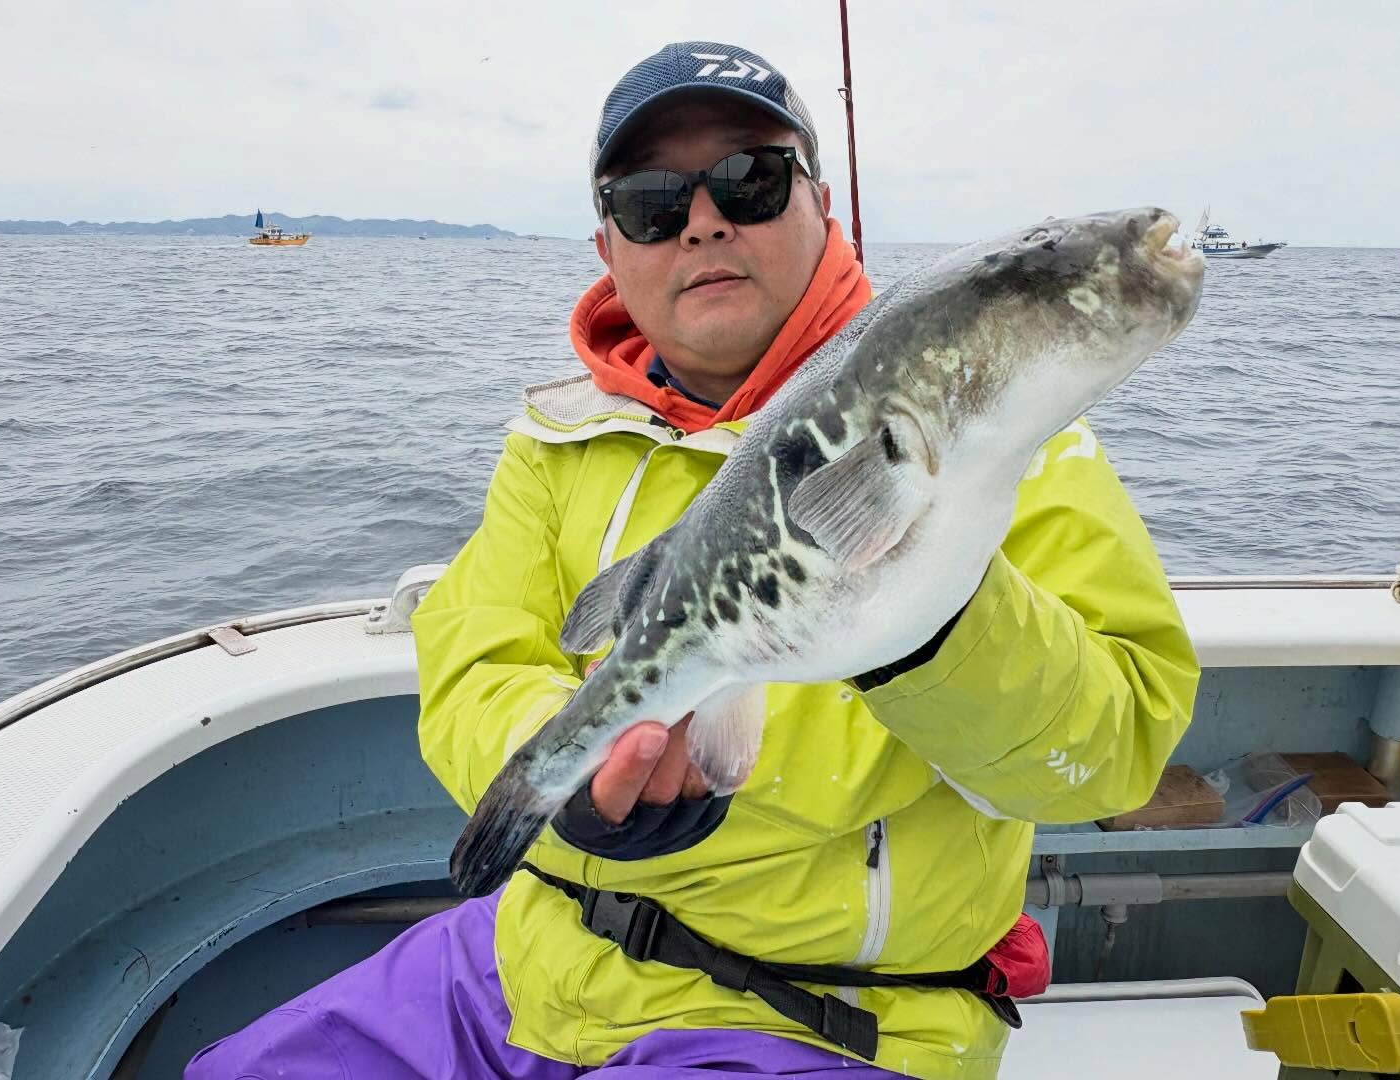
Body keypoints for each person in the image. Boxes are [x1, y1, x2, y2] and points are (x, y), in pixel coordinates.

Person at [185, 40, 1199, 1080]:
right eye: (653, 203)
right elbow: (474, 666)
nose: (704, 223)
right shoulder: (556, 442)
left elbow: (1111, 755)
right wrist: (583, 792)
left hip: (827, 1016)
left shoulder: (1018, 442)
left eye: (750, 180)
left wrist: (930, 621)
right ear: (609, 246)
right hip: (532, 960)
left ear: (820, 203)